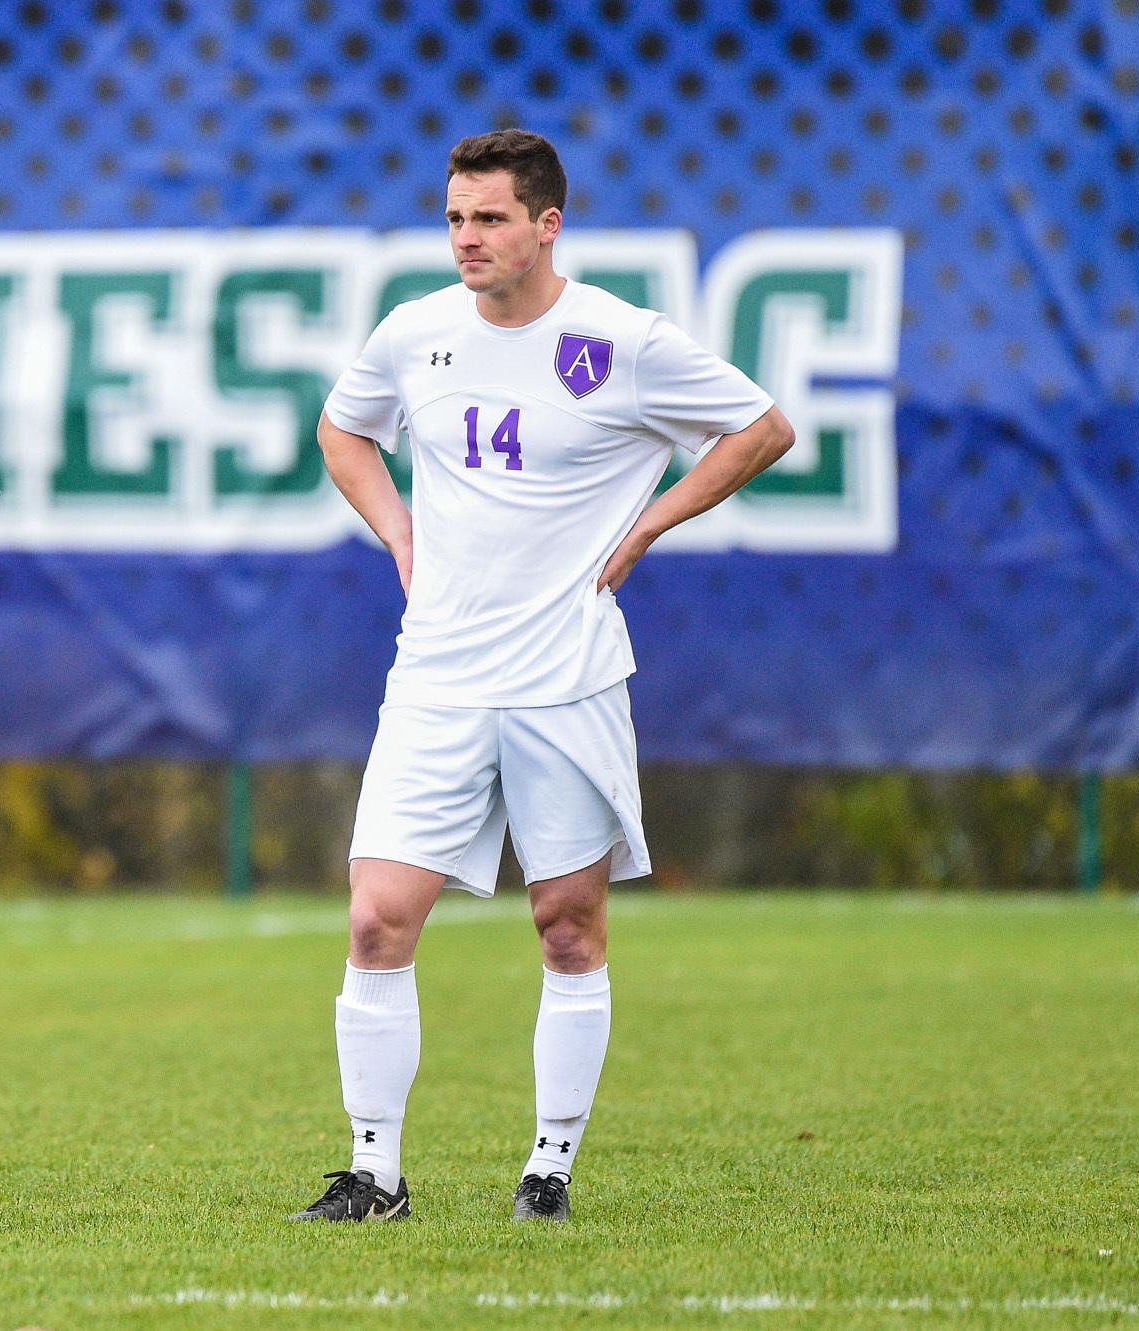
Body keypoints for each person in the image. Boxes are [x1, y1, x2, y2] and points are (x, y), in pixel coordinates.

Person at [290, 129, 795, 1225]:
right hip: (435, 675)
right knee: (377, 917)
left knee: (566, 923)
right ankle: (373, 1174)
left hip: (565, 677)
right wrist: (398, 533)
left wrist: (652, 520)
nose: (466, 239)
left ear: (544, 224)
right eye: (454, 218)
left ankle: (547, 1170)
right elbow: (340, 432)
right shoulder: (413, 331)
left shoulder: (622, 340)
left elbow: (761, 428)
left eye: (488, 218)